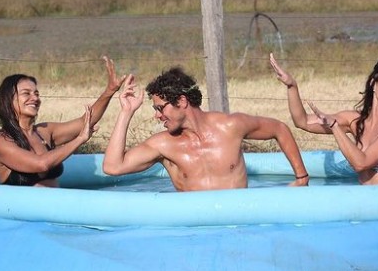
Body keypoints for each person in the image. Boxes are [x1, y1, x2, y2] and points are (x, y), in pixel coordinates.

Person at [102, 66, 309, 191]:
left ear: (181, 101)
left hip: (238, 226)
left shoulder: (230, 126)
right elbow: (112, 167)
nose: (157, 115)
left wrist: (301, 178)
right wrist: (126, 112)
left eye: (160, 108)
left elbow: (280, 129)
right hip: (195, 232)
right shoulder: (163, 145)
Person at [269, 53, 378, 185]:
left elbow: (361, 163)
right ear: (373, 84)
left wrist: (335, 127)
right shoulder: (355, 120)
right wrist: (292, 86)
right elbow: (302, 121)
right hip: (366, 201)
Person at [0, 56, 125, 187]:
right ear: (8, 99)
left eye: (36, 94)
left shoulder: (44, 131)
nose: (35, 98)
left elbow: (86, 121)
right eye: (26, 93)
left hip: (57, 207)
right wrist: (79, 140)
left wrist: (110, 91)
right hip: (22, 210)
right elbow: (41, 164)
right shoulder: (1, 142)